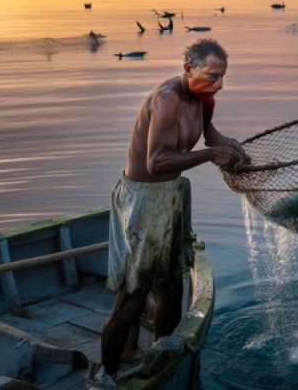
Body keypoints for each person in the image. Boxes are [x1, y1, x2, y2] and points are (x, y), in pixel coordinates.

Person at [94, 38, 244, 386]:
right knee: (132, 297)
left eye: (222, 77)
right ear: (188, 68)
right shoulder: (167, 99)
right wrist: (209, 157)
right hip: (143, 199)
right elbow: (157, 162)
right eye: (211, 75)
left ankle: (161, 359)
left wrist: (230, 147)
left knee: (172, 286)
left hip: (172, 195)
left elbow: (210, 137)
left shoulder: (203, 98)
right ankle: (107, 375)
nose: (218, 84)